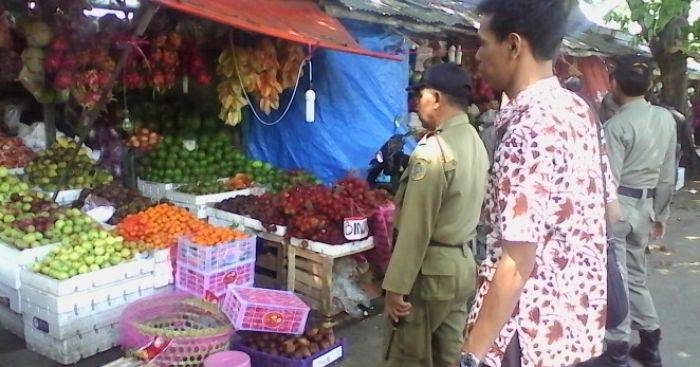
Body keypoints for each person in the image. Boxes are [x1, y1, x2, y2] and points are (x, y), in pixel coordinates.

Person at [458, 1, 618, 366]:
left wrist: (471, 355)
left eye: (483, 42)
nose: (478, 55)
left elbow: (516, 262)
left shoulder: (529, 128)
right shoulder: (578, 111)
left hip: (526, 335)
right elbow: (612, 210)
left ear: (514, 46)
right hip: (577, 331)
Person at [382, 62, 489, 367]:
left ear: (437, 99)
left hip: (430, 273)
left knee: (408, 356)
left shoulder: (433, 152)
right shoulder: (474, 141)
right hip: (462, 266)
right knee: (449, 355)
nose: (417, 104)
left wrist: (396, 287)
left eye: (421, 95)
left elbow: (415, 229)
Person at [580, 56, 677, 367]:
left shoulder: (616, 126)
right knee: (636, 277)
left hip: (619, 208)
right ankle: (650, 341)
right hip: (646, 206)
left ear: (614, 84)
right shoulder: (665, 119)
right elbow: (667, 173)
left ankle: (618, 348)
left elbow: (610, 182)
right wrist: (660, 214)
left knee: (616, 279)